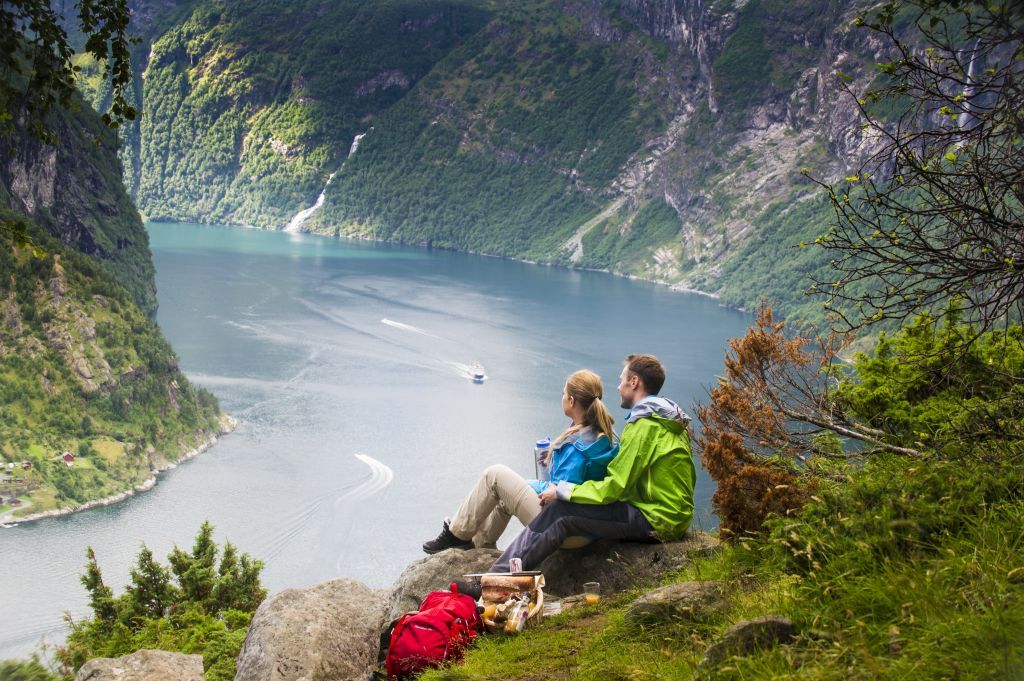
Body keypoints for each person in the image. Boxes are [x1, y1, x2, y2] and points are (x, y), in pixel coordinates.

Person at [490, 354, 695, 572]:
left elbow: (615, 486)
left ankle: (497, 576)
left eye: (622, 379)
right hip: (674, 516)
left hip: (656, 519)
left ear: (634, 382)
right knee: (566, 508)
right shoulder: (667, 420)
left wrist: (563, 490)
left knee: (561, 511)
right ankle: (502, 571)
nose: (617, 387)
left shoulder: (645, 425)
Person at [422, 369, 619, 554]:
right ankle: (481, 549)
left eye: (563, 394)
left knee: (495, 475)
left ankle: (456, 534)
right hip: (587, 527)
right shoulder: (605, 435)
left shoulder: (576, 446)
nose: (562, 398)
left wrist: (532, 486)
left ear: (572, 400)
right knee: (504, 495)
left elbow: (558, 496)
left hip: (566, 529)